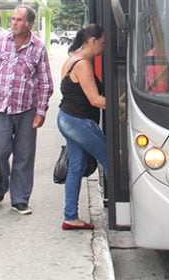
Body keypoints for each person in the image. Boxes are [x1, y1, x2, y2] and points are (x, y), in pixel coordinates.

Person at [0, 5, 54, 214]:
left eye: (18, 20)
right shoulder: (0, 44)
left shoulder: (38, 47)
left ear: (29, 24)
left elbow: (45, 82)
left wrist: (41, 111)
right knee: (0, 151)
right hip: (1, 109)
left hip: (26, 110)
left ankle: (20, 198)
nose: (13, 23)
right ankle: (1, 185)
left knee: (24, 155)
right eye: (12, 19)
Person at [57, 24, 107, 230]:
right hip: (79, 122)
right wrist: (126, 104)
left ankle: (70, 217)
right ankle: (133, 210)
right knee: (110, 158)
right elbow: (95, 100)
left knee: (76, 168)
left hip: (67, 119)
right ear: (93, 41)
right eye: (102, 43)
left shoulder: (71, 60)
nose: (103, 48)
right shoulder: (83, 65)